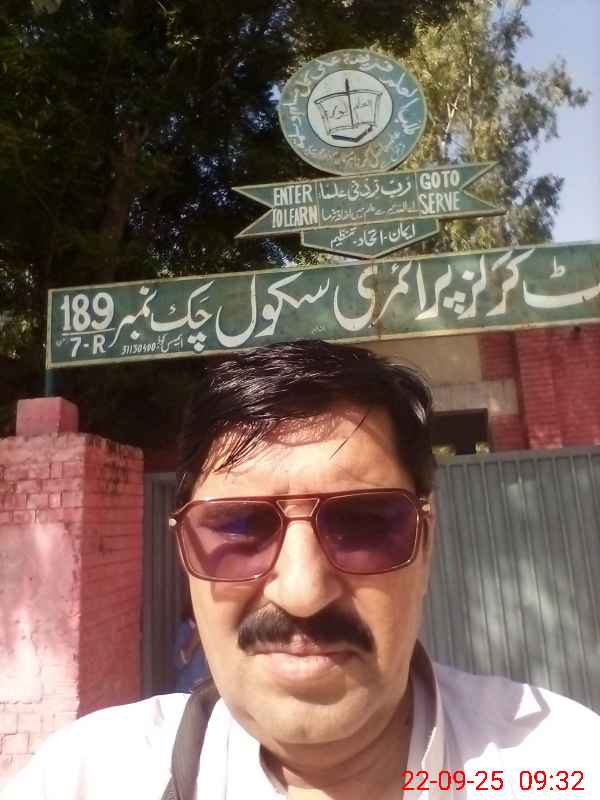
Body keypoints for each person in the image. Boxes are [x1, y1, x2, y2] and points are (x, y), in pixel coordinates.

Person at [2, 339, 599, 799]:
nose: (303, 592)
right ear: (184, 553)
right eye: (239, 528)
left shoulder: (562, 766)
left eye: (364, 524)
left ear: (426, 541)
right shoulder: (87, 778)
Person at [173, 599, 210, 693]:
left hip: (206, 690)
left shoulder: (210, 629)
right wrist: (194, 640)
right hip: (187, 689)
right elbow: (178, 663)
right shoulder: (184, 629)